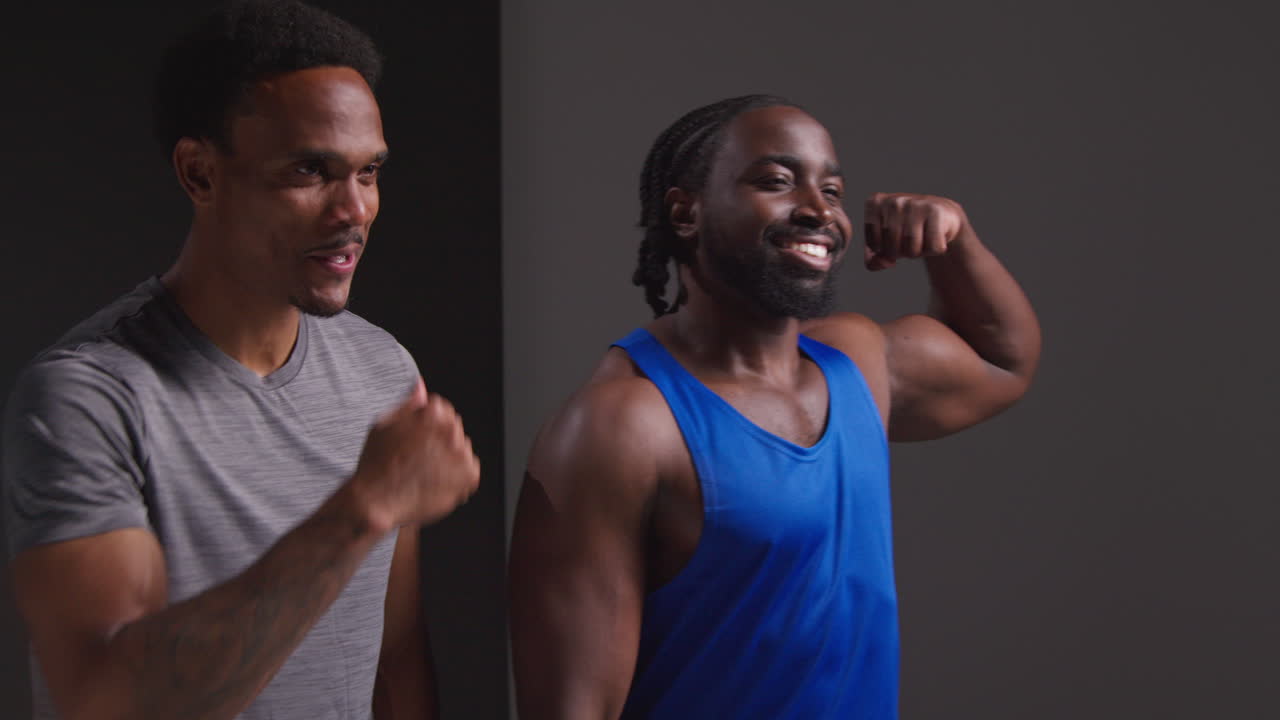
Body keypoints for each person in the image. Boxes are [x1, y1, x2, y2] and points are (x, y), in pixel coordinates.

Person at [1, 2, 479, 718]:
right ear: (199, 173)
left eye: (369, 172)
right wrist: (362, 510)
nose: (354, 209)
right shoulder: (88, 397)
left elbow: (393, 659)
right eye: (310, 170)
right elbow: (106, 701)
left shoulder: (383, 371)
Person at [508, 94, 1042, 719]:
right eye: (776, 181)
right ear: (685, 212)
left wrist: (954, 239)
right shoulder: (620, 427)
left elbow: (1002, 362)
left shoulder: (855, 361)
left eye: (833, 191)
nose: (819, 210)